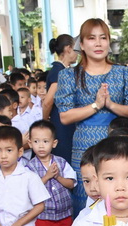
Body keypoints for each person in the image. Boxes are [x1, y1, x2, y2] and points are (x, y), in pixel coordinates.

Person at [56, 19, 128, 213]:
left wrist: (111, 105)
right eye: (91, 38)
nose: (98, 43)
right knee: (86, 199)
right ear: (81, 44)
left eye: (103, 38)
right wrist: (96, 105)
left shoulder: (124, 73)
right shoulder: (69, 76)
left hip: (119, 143)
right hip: (84, 146)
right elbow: (65, 116)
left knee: (119, 195)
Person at [26, 120, 76, 226]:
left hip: (64, 215)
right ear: (30, 143)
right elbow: (30, 191)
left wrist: (58, 176)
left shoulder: (61, 162)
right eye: (36, 141)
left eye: (45, 141)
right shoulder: (29, 167)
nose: (41, 146)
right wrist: (47, 176)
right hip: (43, 216)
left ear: (54, 143)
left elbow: (71, 184)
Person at [43, 34, 77, 164]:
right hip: (61, 125)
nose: (77, 54)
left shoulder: (63, 70)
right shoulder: (59, 72)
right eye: (76, 49)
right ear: (68, 48)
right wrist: (45, 122)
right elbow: (48, 102)